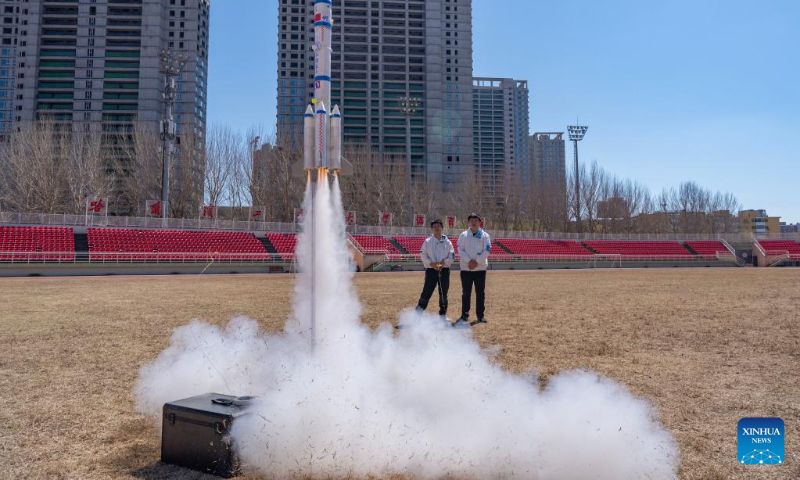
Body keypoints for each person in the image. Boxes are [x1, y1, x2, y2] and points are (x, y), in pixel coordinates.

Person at [456, 213, 491, 326]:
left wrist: (477, 262)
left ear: (479, 222)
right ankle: (464, 315)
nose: (474, 222)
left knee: (480, 293)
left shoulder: (485, 236)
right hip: (466, 269)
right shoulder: (463, 235)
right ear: (469, 222)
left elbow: (487, 250)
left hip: (480, 269)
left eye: (476, 220)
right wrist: (469, 261)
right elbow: (460, 250)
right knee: (466, 293)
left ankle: (480, 316)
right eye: (471, 220)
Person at [416, 219, 455, 318]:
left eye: (438, 226)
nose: (436, 228)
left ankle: (443, 314)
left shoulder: (448, 242)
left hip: (444, 270)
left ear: (442, 228)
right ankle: (417, 314)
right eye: (434, 227)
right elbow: (423, 255)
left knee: (443, 293)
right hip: (431, 270)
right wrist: (431, 263)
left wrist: (444, 263)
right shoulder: (427, 242)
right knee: (426, 292)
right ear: (432, 229)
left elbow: (452, 256)